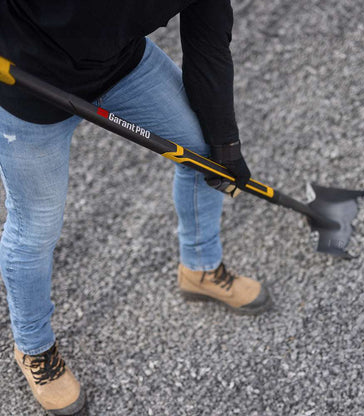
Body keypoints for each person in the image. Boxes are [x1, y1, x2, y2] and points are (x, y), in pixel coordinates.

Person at [0, 1, 272, 414]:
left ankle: (200, 268)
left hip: (120, 66)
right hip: (26, 84)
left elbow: (208, 41)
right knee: (36, 226)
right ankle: (34, 349)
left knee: (206, 156)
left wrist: (226, 145)